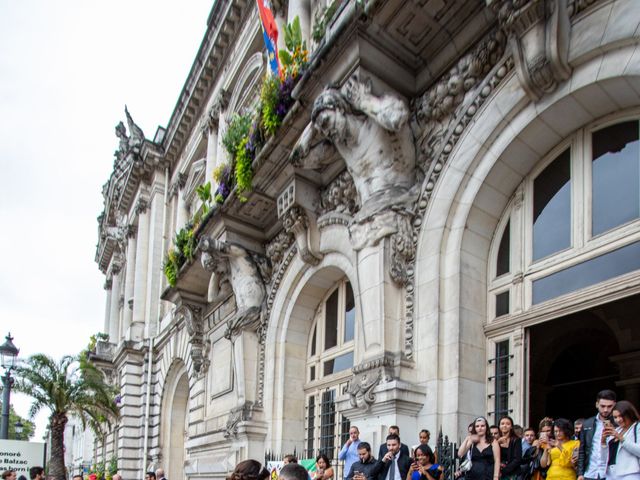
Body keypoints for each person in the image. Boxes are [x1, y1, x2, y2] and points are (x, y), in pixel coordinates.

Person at [577, 390, 617, 480]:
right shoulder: (587, 424)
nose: (606, 410)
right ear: (597, 404)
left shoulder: (618, 423)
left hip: (610, 474)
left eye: (609, 406)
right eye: (602, 406)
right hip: (590, 473)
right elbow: (582, 450)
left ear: (614, 405)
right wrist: (580, 473)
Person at [602, 400, 640, 480]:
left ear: (629, 414)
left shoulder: (637, 427)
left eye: (621, 416)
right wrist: (603, 442)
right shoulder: (617, 430)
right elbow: (604, 457)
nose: (618, 420)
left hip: (630, 473)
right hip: (610, 473)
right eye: (615, 417)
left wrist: (621, 438)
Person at [498, 416, 523, 480]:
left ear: (511, 426)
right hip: (497, 472)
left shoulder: (516, 440)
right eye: (502, 424)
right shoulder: (495, 440)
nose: (505, 426)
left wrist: (503, 471)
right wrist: (497, 443)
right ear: (499, 426)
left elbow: (517, 459)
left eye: (508, 424)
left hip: (512, 473)